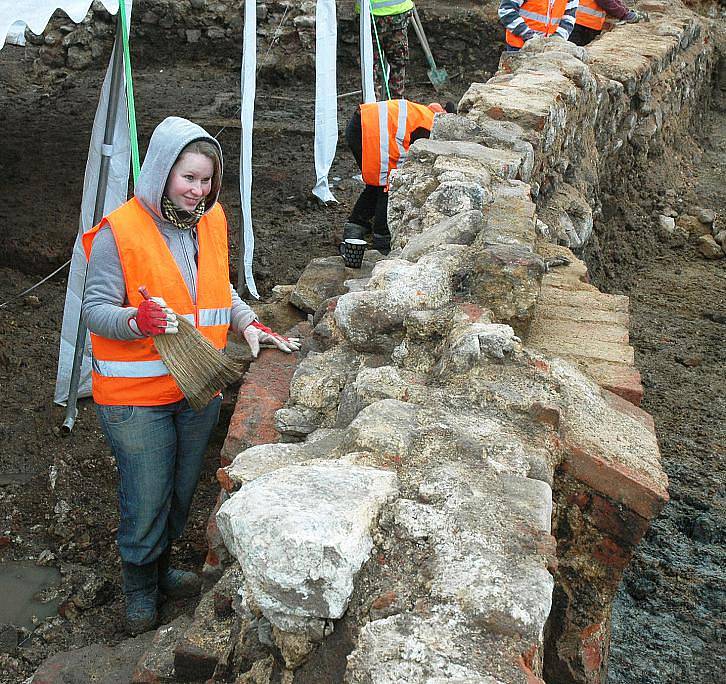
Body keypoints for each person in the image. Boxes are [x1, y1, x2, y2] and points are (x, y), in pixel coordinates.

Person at [81, 116, 300, 635]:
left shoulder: (209, 219)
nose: (198, 190)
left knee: (181, 490)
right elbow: (93, 309)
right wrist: (136, 321)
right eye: (188, 178)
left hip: (197, 383)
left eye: (206, 180)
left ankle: (159, 571)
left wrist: (249, 320)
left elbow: (215, 288)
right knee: (147, 493)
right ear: (161, 172)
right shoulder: (122, 232)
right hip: (135, 397)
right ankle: (139, 586)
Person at [343, 99, 453, 254]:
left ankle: (355, 226)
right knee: (388, 183)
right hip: (370, 130)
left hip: (360, 124)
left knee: (378, 182)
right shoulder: (431, 125)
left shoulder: (423, 113)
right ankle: (382, 238)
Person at [357, 0, 414, 99]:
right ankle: (394, 106)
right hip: (394, 15)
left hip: (370, 15)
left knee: (370, 66)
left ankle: (373, 107)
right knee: (397, 65)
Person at [498, 0, 579, 52]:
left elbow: (569, 18)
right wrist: (530, 36)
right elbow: (506, 10)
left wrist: (557, 39)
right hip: (519, 47)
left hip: (549, 49)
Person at [569, 1, 647, 46]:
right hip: (580, 24)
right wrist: (624, 14)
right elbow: (606, 2)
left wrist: (626, 11)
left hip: (585, 23)